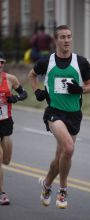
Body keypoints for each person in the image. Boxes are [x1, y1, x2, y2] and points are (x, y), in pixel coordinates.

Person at [28, 25, 90, 209]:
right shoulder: (46, 61)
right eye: (62, 37)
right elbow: (32, 75)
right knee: (70, 148)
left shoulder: (80, 62)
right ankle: (63, 189)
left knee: (61, 156)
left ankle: (47, 183)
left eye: (69, 37)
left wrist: (80, 89)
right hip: (54, 112)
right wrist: (37, 91)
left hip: (74, 114)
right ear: (56, 40)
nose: (66, 40)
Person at [0, 52, 28, 205]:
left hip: (6, 122)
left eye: (1, 62)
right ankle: (1, 193)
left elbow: (24, 93)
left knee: (6, 160)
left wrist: (16, 98)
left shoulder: (10, 79)